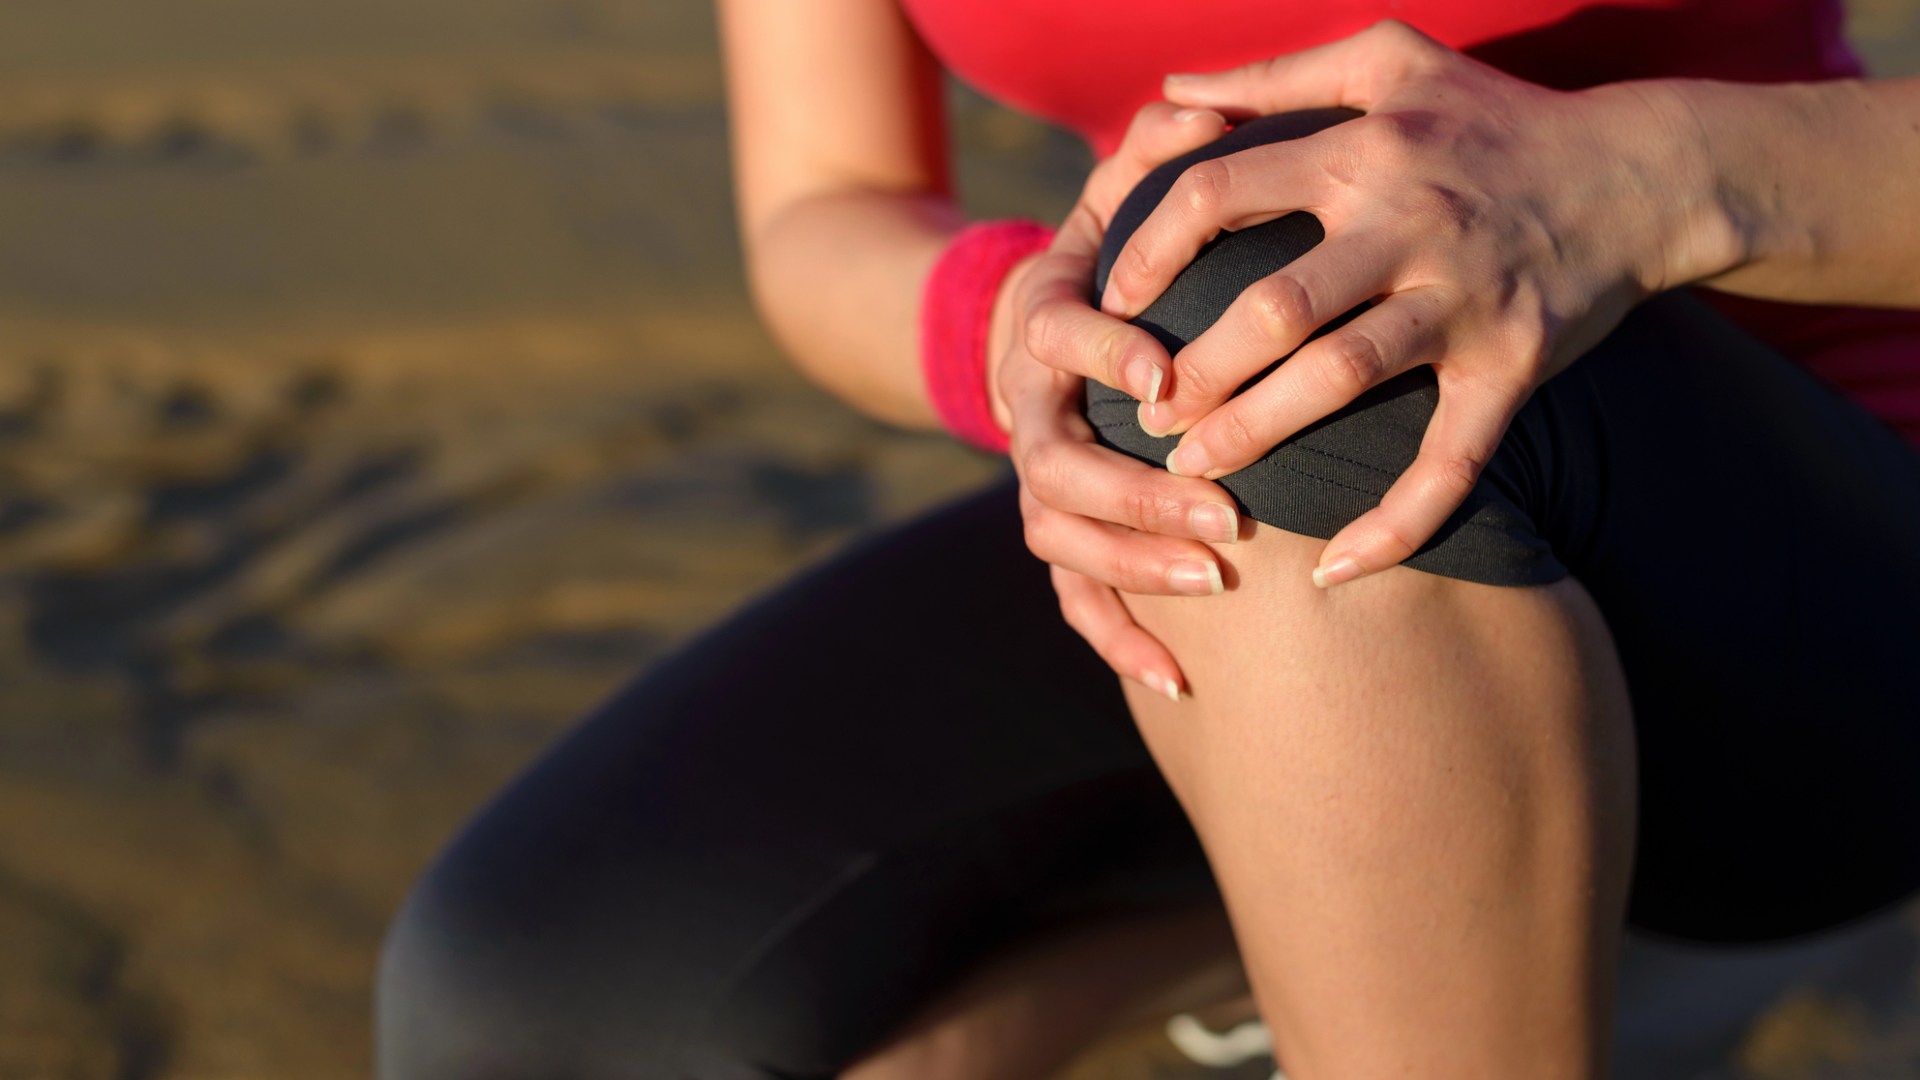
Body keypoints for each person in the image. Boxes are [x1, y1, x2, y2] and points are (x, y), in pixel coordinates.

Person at [373, 1, 1920, 1077]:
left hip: (1821, 624)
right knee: (552, 1014)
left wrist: (1653, 179)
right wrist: (1015, 333)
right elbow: (824, 209)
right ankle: (1302, 925)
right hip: (1242, 491)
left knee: (1282, 314)